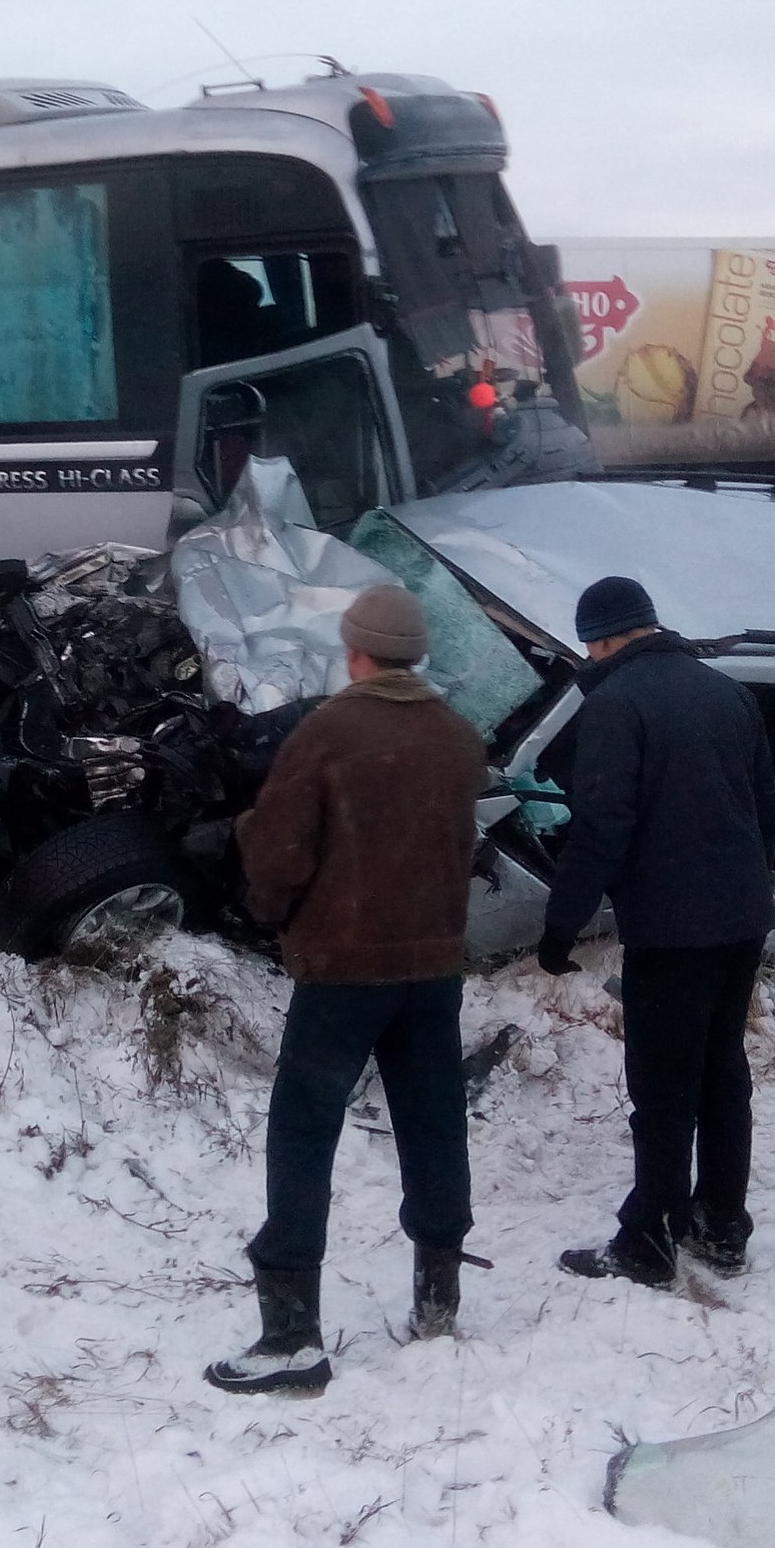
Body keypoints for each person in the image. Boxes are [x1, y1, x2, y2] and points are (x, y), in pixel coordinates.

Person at [206, 584, 488, 1395]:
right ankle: (438, 1299)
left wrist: (268, 908)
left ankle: (292, 1334)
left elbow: (279, 851)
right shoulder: (457, 736)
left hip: (342, 973)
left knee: (303, 1134)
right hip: (432, 970)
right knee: (434, 1126)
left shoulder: (328, 730)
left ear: (355, 651)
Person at [538, 574, 775, 1288]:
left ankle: (646, 1240)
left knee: (663, 1086)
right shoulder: (727, 692)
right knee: (721, 1070)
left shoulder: (617, 705)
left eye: (589, 643)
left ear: (604, 637)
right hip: (741, 921)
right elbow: (769, 804)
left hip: (672, 930)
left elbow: (602, 826)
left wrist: (562, 924)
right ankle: (722, 1225)